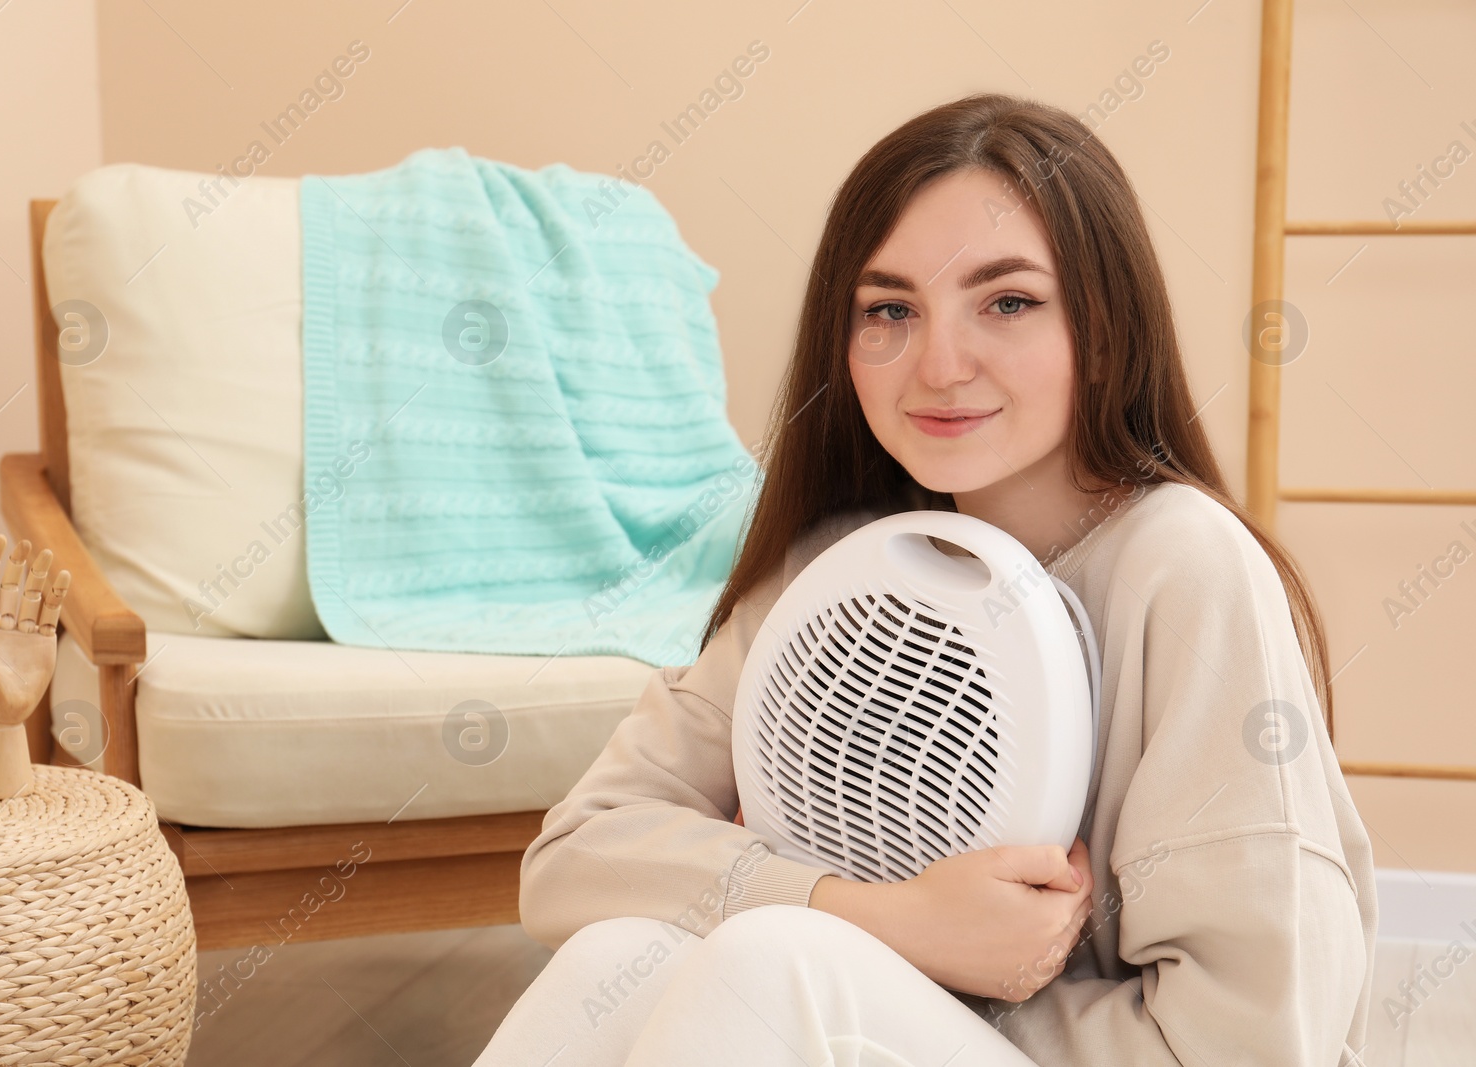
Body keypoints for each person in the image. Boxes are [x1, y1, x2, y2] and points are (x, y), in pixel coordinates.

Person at [472, 93, 1376, 1067]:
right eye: (890, 309)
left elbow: (1253, 1042)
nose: (938, 364)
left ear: (1105, 331)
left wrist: (857, 963)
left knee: (773, 963)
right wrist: (882, 918)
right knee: (625, 948)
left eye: (1008, 301)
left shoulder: (1185, 564)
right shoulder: (833, 576)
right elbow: (571, 861)